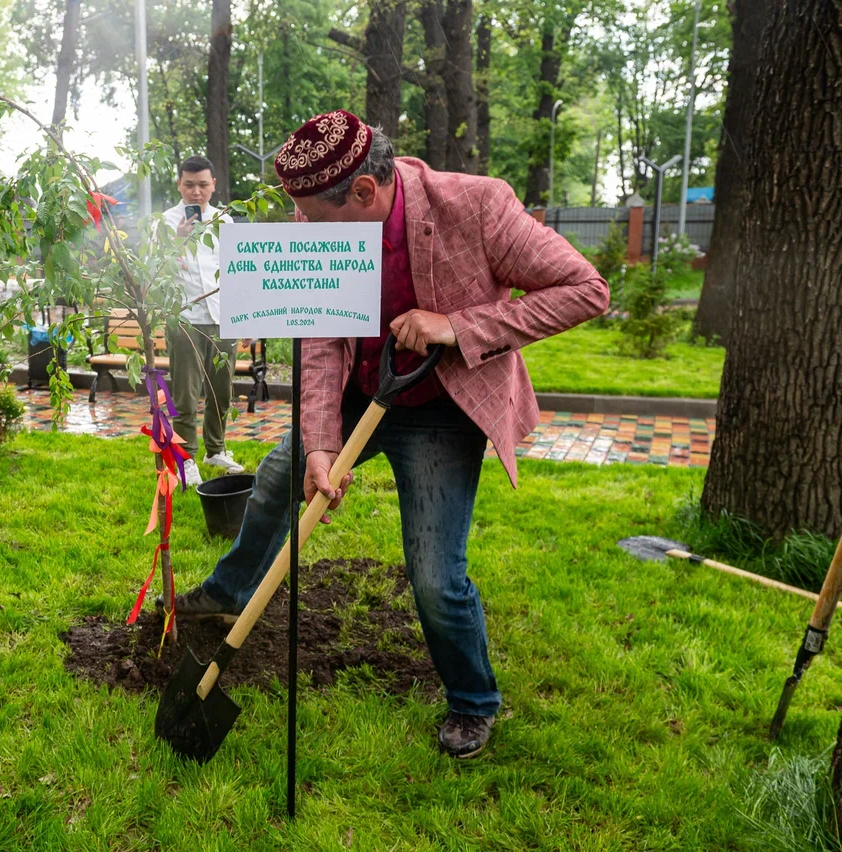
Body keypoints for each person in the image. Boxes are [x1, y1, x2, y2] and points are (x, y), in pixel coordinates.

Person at [162, 110, 609, 758]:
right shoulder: (316, 221)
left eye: (314, 216)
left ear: (365, 194)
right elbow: (317, 341)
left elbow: (585, 289)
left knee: (434, 574)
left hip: (437, 407)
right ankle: (232, 591)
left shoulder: (477, 206)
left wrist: (456, 324)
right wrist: (319, 445)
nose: (304, 228)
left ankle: (473, 700)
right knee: (277, 480)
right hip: (356, 391)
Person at [161, 156, 242, 487]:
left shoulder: (225, 221)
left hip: (223, 318)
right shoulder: (165, 223)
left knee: (222, 391)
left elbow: (237, 272)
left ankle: (216, 449)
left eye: (203, 185)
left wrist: (243, 320)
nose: (196, 192)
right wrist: (177, 240)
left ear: (214, 185)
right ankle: (187, 458)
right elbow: (156, 275)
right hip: (185, 320)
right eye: (190, 184)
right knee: (185, 395)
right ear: (179, 184)